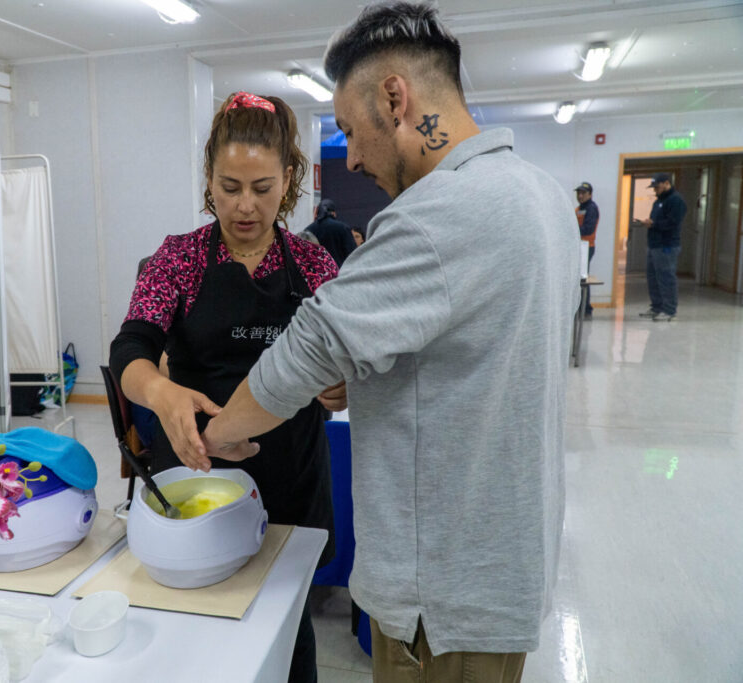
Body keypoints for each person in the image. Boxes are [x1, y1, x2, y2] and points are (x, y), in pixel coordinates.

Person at [182, 4, 580, 682]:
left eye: (349, 130)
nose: (354, 157)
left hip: (440, 595)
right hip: (502, 563)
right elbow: (473, 354)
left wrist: (214, 436)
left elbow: (306, 350)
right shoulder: (542, 196)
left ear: (396, 98)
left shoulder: (435, 215)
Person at [108, 91, 344, 683]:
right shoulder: (179, 260)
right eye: (228, 186)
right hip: (196, 469)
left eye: (262, 189)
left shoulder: (314, 265)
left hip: (290, 472)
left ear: (288, 180)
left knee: (286, 626)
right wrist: (160, 393)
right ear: (208, 178)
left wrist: (341, 384)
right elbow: (130, 349)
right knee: (195, 631)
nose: (244, 206)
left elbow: (346, 357)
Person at [640, 172, 687, 321]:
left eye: (657, 187)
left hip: (667, 246)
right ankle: (657, 307)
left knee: (666, 278)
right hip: (654, 245)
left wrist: (654, 224)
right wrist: (650, 223)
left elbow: (673, 223)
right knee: (653, 278)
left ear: (667, 183)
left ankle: (669, 310)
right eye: (653, 187)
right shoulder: (658, 201)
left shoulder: (676, 200)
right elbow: (656, 220)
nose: (655, 190)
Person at [301, 198, 357, 266]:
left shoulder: (308, 230)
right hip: (339, 270)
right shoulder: (343, 228)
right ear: (333, 213)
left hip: (315, 270)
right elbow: (353, 254)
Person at [574, 182, 599, 317]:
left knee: (583, 278)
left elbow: (588, 229)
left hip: (587, 247)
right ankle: (580, 307)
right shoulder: (578, 209)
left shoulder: (591, 208)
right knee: (579, 278)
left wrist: (573, 229)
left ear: (590, 194)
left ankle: (586, 309)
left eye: (583, 193)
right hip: (579, 247)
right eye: (579, 193)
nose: (580, 196)